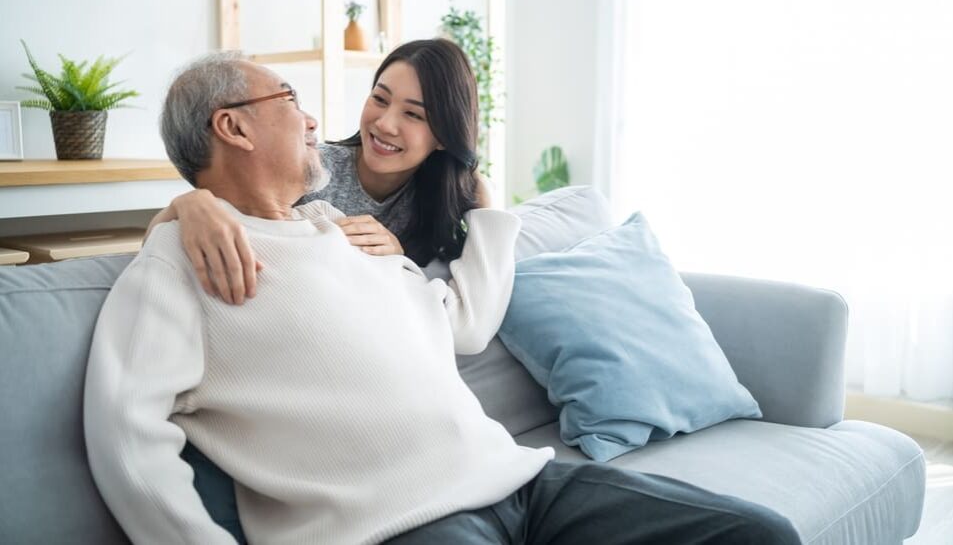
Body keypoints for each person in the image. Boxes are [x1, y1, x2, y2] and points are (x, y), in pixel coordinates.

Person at [83, 52, 801, 544]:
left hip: (523, 482)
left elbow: (450, 325)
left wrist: (483, 214)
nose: (312, 119)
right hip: (402, 524)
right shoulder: (180, 263)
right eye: (290, 99)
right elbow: (127, 434)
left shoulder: (340, 233)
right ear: (232, 126)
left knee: (761, 533)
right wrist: (184, 208)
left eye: (417, 114)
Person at [147, 38, 491, 305]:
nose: (385, 124)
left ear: (445, 136)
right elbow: (160, 249)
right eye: (380, 99)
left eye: (414, 115)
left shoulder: (446, 199)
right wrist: (188, 204)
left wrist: (400, 263)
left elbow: (460, 305)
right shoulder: (309, 169)